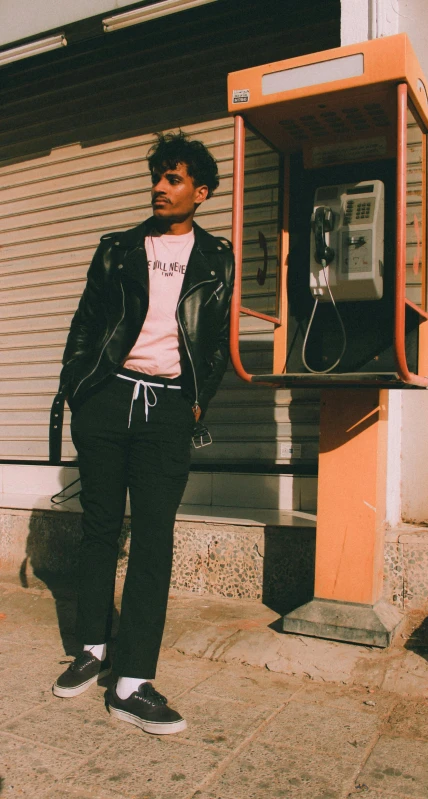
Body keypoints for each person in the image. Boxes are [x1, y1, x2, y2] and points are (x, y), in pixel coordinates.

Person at [50, 131, 234, 735]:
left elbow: (216, 345)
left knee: (153, 539)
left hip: (167, 410)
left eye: (174, 178)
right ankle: (93, 650)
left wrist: (196, 404)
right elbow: (85, 326)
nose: (160, 186)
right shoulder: (117, 249)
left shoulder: (217, 256)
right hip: (107, 400)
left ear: (199, 192)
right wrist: (81, 387)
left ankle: (131, 682)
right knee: (100, 529)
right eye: (157, 176)